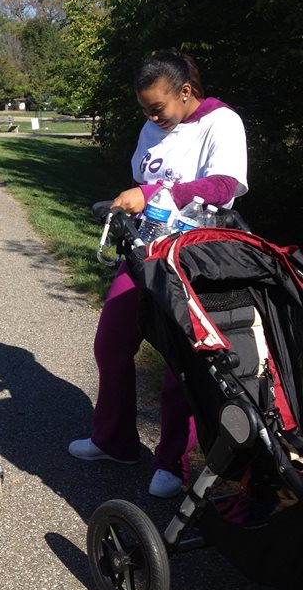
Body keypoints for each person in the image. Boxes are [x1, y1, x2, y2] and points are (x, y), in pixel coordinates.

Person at [68, 50, 248, 498]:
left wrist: (151, 193)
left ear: (185, 92)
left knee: (179, 364)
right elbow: (140, 179)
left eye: (157, 108)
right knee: (112, 343)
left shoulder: (221, 122)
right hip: (145, 251)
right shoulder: (153, 126)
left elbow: (224, 186)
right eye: (146, 110)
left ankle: (172, 463)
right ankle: (115, 442)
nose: (151, 117)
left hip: (195, 257)